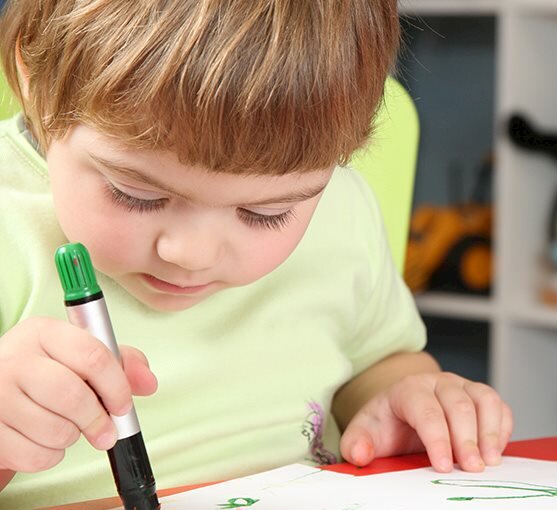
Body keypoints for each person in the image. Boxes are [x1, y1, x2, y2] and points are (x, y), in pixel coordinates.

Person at [0, 1, 512, 507]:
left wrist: (409, 395)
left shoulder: (341, 206)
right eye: (137, 194)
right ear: (33, 78)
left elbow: (379, 360)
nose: (192, 255)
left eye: (266, 213)